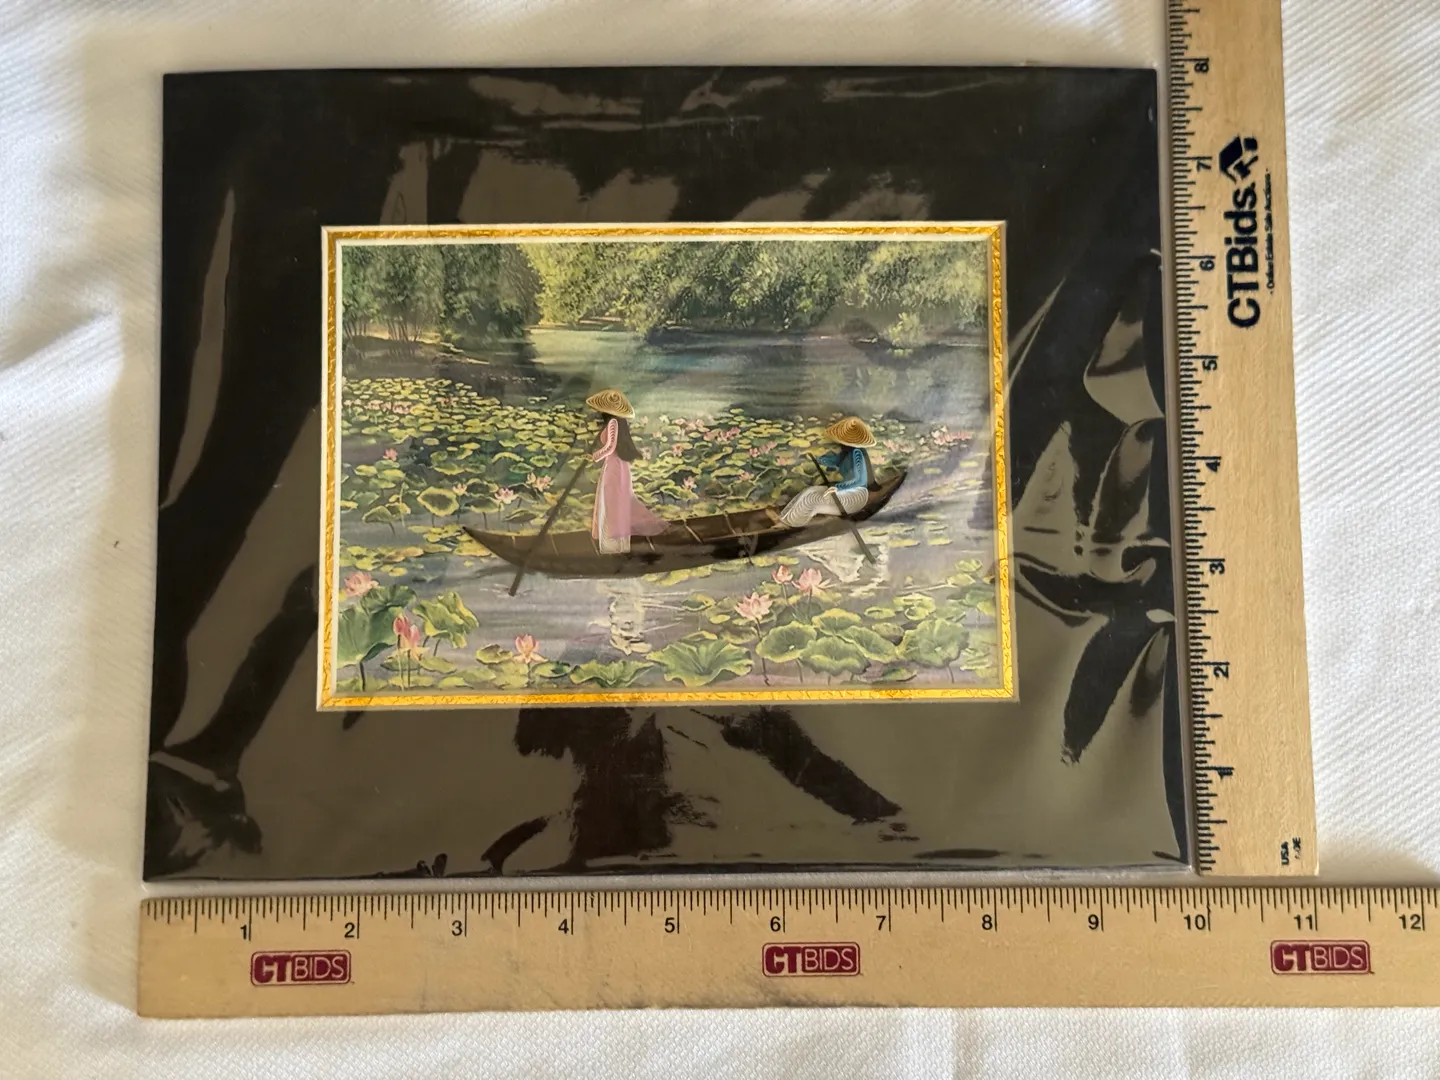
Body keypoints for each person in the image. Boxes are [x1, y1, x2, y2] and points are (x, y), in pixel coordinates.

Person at [586, 389, 669, 554]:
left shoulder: (613, 423)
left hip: (614, 467)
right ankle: (620, 544)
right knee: (618, 501)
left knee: (611, 501)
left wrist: (594, 457)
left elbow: (610, 447)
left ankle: (612, 545)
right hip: (620, 466)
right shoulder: (620, 422)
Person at [778, 416, 877, 527]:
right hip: (844, 490)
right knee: (810, 492)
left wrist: (838, 487)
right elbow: (833, 461)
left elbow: (859, 480)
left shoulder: (857, 453)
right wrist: (815, 457)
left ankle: (792, 524)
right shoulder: (847, 453)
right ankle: (784, 520)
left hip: (855, 495)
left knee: (814, 501)